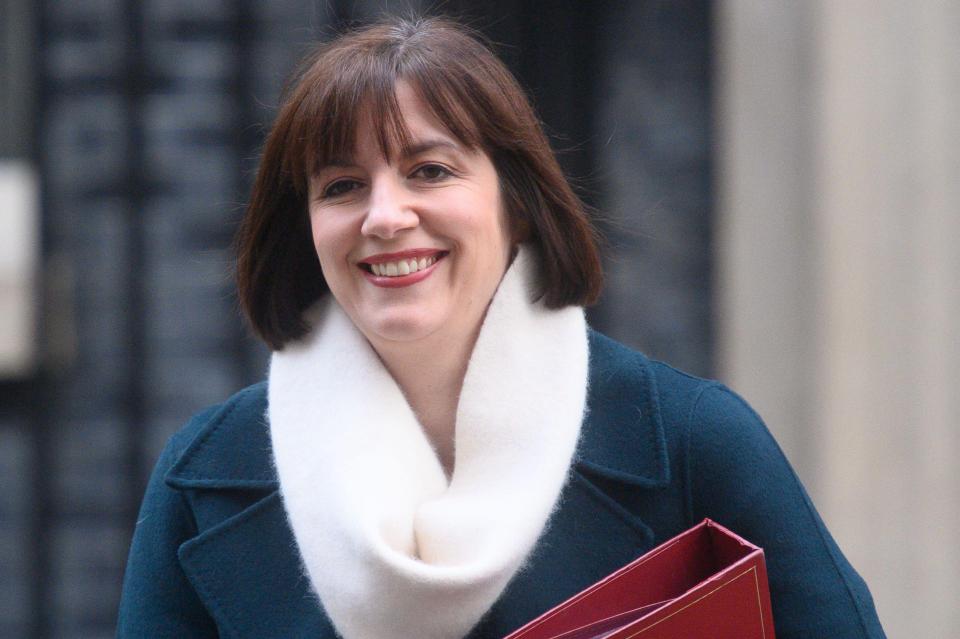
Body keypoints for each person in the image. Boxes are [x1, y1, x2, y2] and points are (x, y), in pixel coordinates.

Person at [116, 15, 885, 639]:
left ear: (515, 200)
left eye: (430, 170)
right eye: (342, 185)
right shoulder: (206, 478)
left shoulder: (691, 441)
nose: (385, 216)